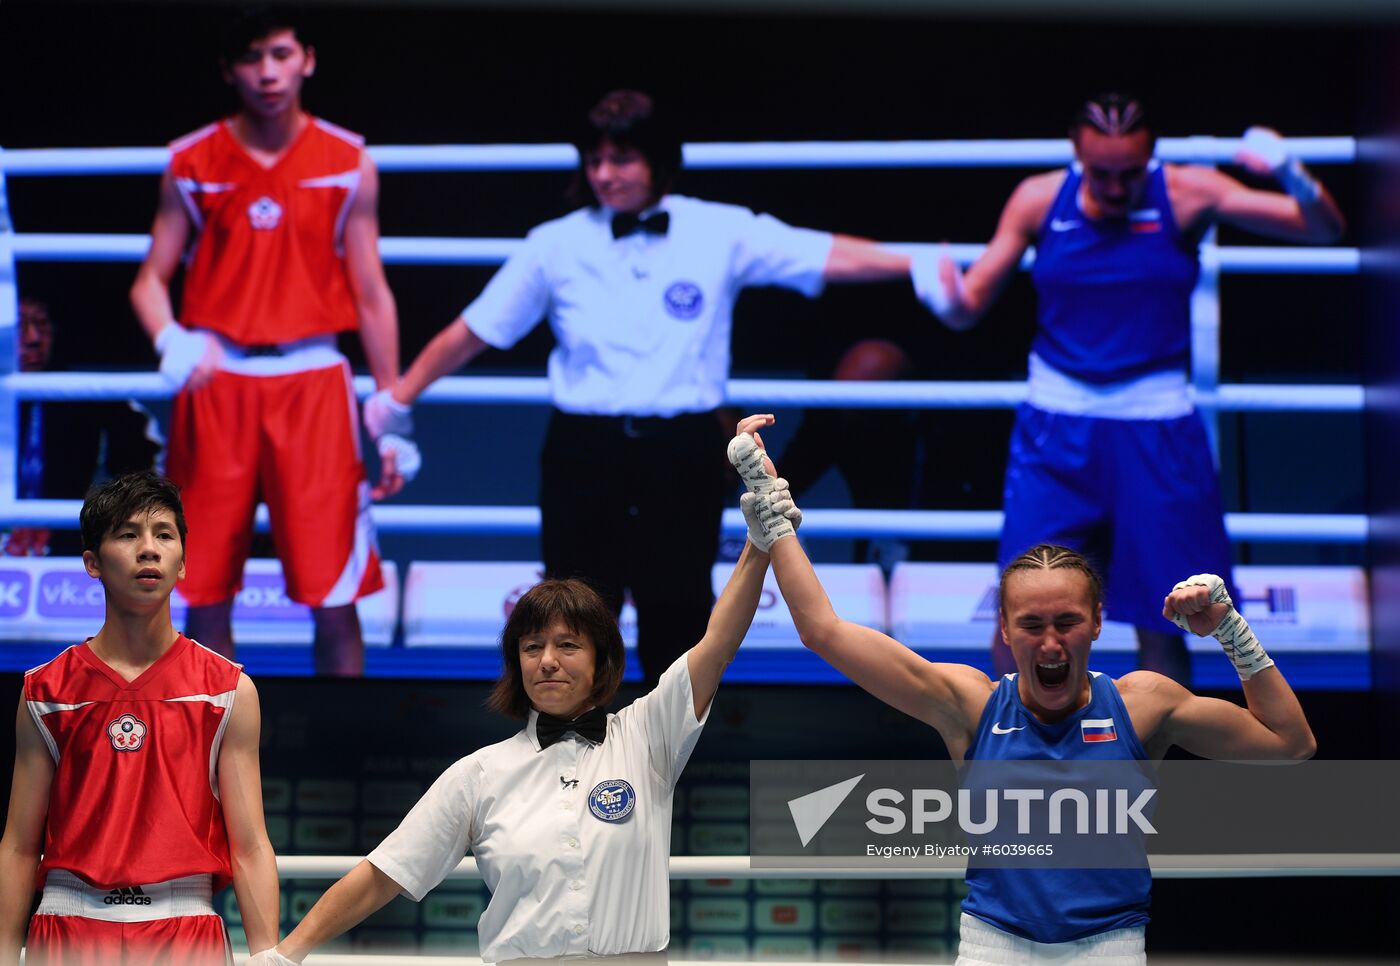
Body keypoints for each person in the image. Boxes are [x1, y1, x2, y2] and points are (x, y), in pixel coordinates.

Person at [362, 89, 920, 684]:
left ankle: (668, 772)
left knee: (677, 618)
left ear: (658, 160)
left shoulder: (718, 229)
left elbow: (824, 254)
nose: (605, 174)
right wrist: (399, 395)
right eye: (595, 160)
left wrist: (926, 263)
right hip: (583, 450)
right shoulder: (557, 242)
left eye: (622, 159)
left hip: (680, 452)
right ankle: (566, 770)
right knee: (569, 621)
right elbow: (474, 330)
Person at [730, 433, 1315, 964]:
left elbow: (1290, 744)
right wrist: (773, 513)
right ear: (1005, 631)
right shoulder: (969, 704)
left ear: (1097, 625)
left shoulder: (1143, 705)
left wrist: (1230, 630)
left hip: (1111, 944)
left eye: (1067, 621)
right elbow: (823, 631)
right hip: (993, 946)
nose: (1051, 641)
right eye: (1033, 624)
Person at [246, 415, 800, 965]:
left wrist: (759, 536)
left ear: (602, 659)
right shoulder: (478, 774)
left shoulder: (647, 735)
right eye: (532, 647)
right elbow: (382, 874)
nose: (548, 662)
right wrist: (285, 955)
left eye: (568, 646)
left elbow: (717, 644)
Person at [924, 93, 1346, 682]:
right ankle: (1016, 765)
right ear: (1077, 154)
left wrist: (1287, 171)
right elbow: (969, 307)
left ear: (1151, 157)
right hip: (1056, 428)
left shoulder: (1189, 191)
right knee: (1026, 607)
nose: (1117, 189)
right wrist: (941, 297)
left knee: (1166, 616)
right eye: (1101, 174)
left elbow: (1323, 228)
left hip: (1157, 425)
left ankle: (1150, 773)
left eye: (1130, 174)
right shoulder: (1040, 198)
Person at [129, 5, 413, 676]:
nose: (268, 73)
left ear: (307, 59)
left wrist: (393, 417)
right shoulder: (191, 160)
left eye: (281, 55)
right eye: (253, 58)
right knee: (200, 589)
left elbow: (372, 293)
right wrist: (170, 337)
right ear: (229, 68)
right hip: (215, 383)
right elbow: (149, 279)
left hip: (314, 384)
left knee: (335, 594)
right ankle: (203, 754)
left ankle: (345, 763)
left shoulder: (347, 161)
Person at [0, 472, 281, 965]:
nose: (148, 549)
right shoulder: (45, 691)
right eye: (128, 534)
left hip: (187, 928)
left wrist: (267, 959)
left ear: (183, 563)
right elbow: (20, 847)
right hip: (66, 929)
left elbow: (252, 845)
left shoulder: (228, 689)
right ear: (92, 562)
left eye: (164, 535)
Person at [4, 296, 163, 557]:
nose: (33, 338)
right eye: (20, 326)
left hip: (68, 542)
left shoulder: (86, 397)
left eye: (42, 324)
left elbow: (145, 474)